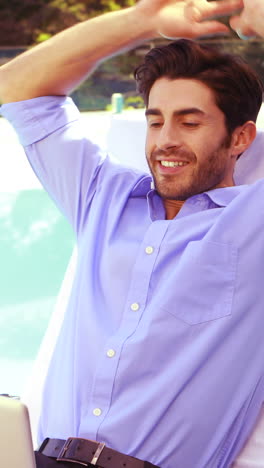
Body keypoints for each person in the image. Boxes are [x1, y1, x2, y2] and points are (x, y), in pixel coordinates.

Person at [0, 0, 264, 466]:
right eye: (155, 120)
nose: (165, 140)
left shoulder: (252, 223)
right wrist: (142, 21)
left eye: (190, 122)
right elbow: (18, 88)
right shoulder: (102, 195)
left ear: (240, 138)